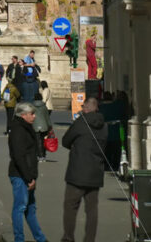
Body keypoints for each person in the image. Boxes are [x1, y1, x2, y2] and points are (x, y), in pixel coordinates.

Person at [61, 97, 108, 242]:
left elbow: (66, 140)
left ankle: (68, 237)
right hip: (95, 172)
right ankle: (89, 239)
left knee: (70, 206)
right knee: (92, 210)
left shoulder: (81, 122)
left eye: (83, 107)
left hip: (77, 172)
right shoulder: (104, 125)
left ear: (86, 108)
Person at [8, 102, 47, 242]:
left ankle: (40, 238)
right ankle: (19, 239)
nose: (35, 116)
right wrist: (29, 178)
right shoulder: (19, 130)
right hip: (20, 175)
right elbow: (19, 156)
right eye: (32, 114)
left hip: (27, 174)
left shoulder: (25, 127)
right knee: (20, 207)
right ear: (23, 115)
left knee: (30, 209)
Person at [33, 93, 52, 159]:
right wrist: (50, 126)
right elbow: (47, 117)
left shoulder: (32, 106)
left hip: (35, 126)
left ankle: (39, 155)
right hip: (44, 126)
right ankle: (43, 155)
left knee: (37, 141)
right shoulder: (44, 107)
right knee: (43, 141)